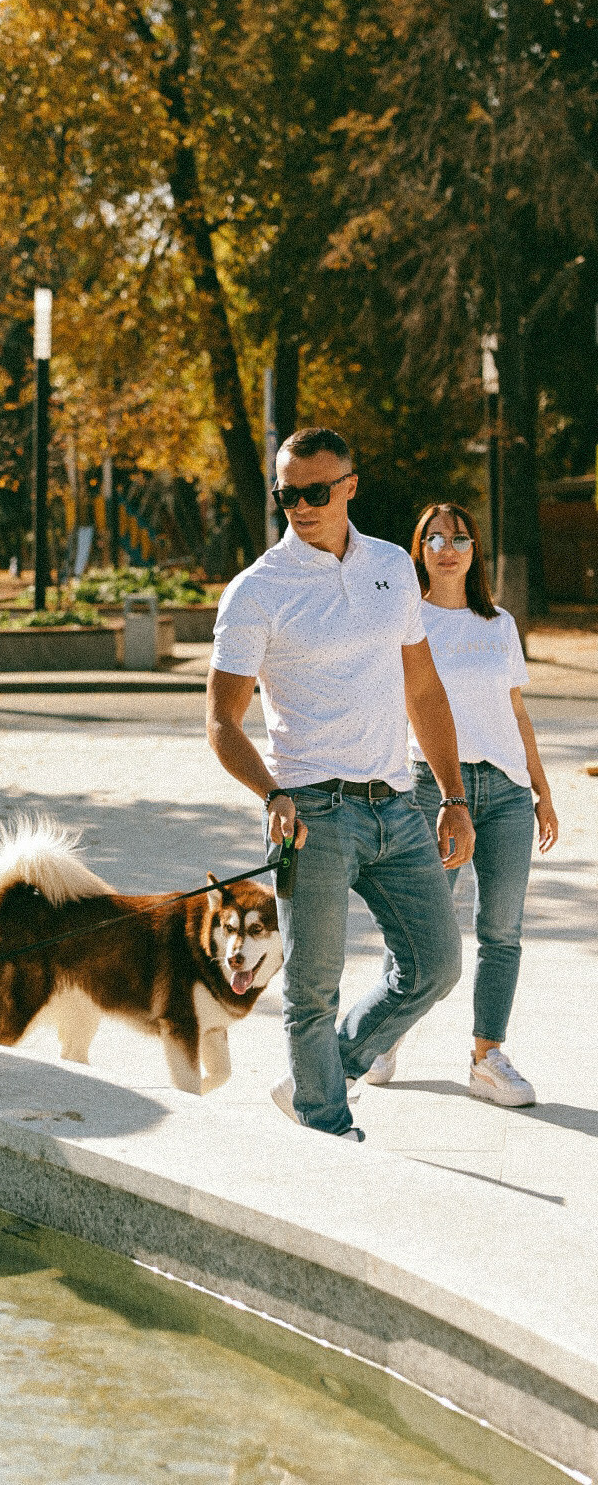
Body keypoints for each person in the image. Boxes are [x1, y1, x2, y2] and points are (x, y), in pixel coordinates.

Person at [206, 428, 475, 1139]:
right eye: (286, 494)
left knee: (435, 968)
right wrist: (273, 796)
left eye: (315, 492)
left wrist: (451, 796)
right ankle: (328, 1124)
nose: (299, 506)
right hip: (312, 813)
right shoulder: (256, 591)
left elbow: (424, 690)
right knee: (309, 993)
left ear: (350, 486)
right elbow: (222, 722)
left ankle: (315, 1076)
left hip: (398, 805)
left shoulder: (391, 565)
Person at [364, 502, 557, 1106]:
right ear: (418, 549)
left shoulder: (498, 622)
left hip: (504, 790)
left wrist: (542, 788)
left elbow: (516, 711)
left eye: (462, 538)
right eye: (436, 538)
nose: (450, 548)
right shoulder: (404, 620)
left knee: (502, 929)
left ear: (475, 551)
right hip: (432, 790)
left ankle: (487, 1056)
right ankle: (383, 1034)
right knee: (426, 928)